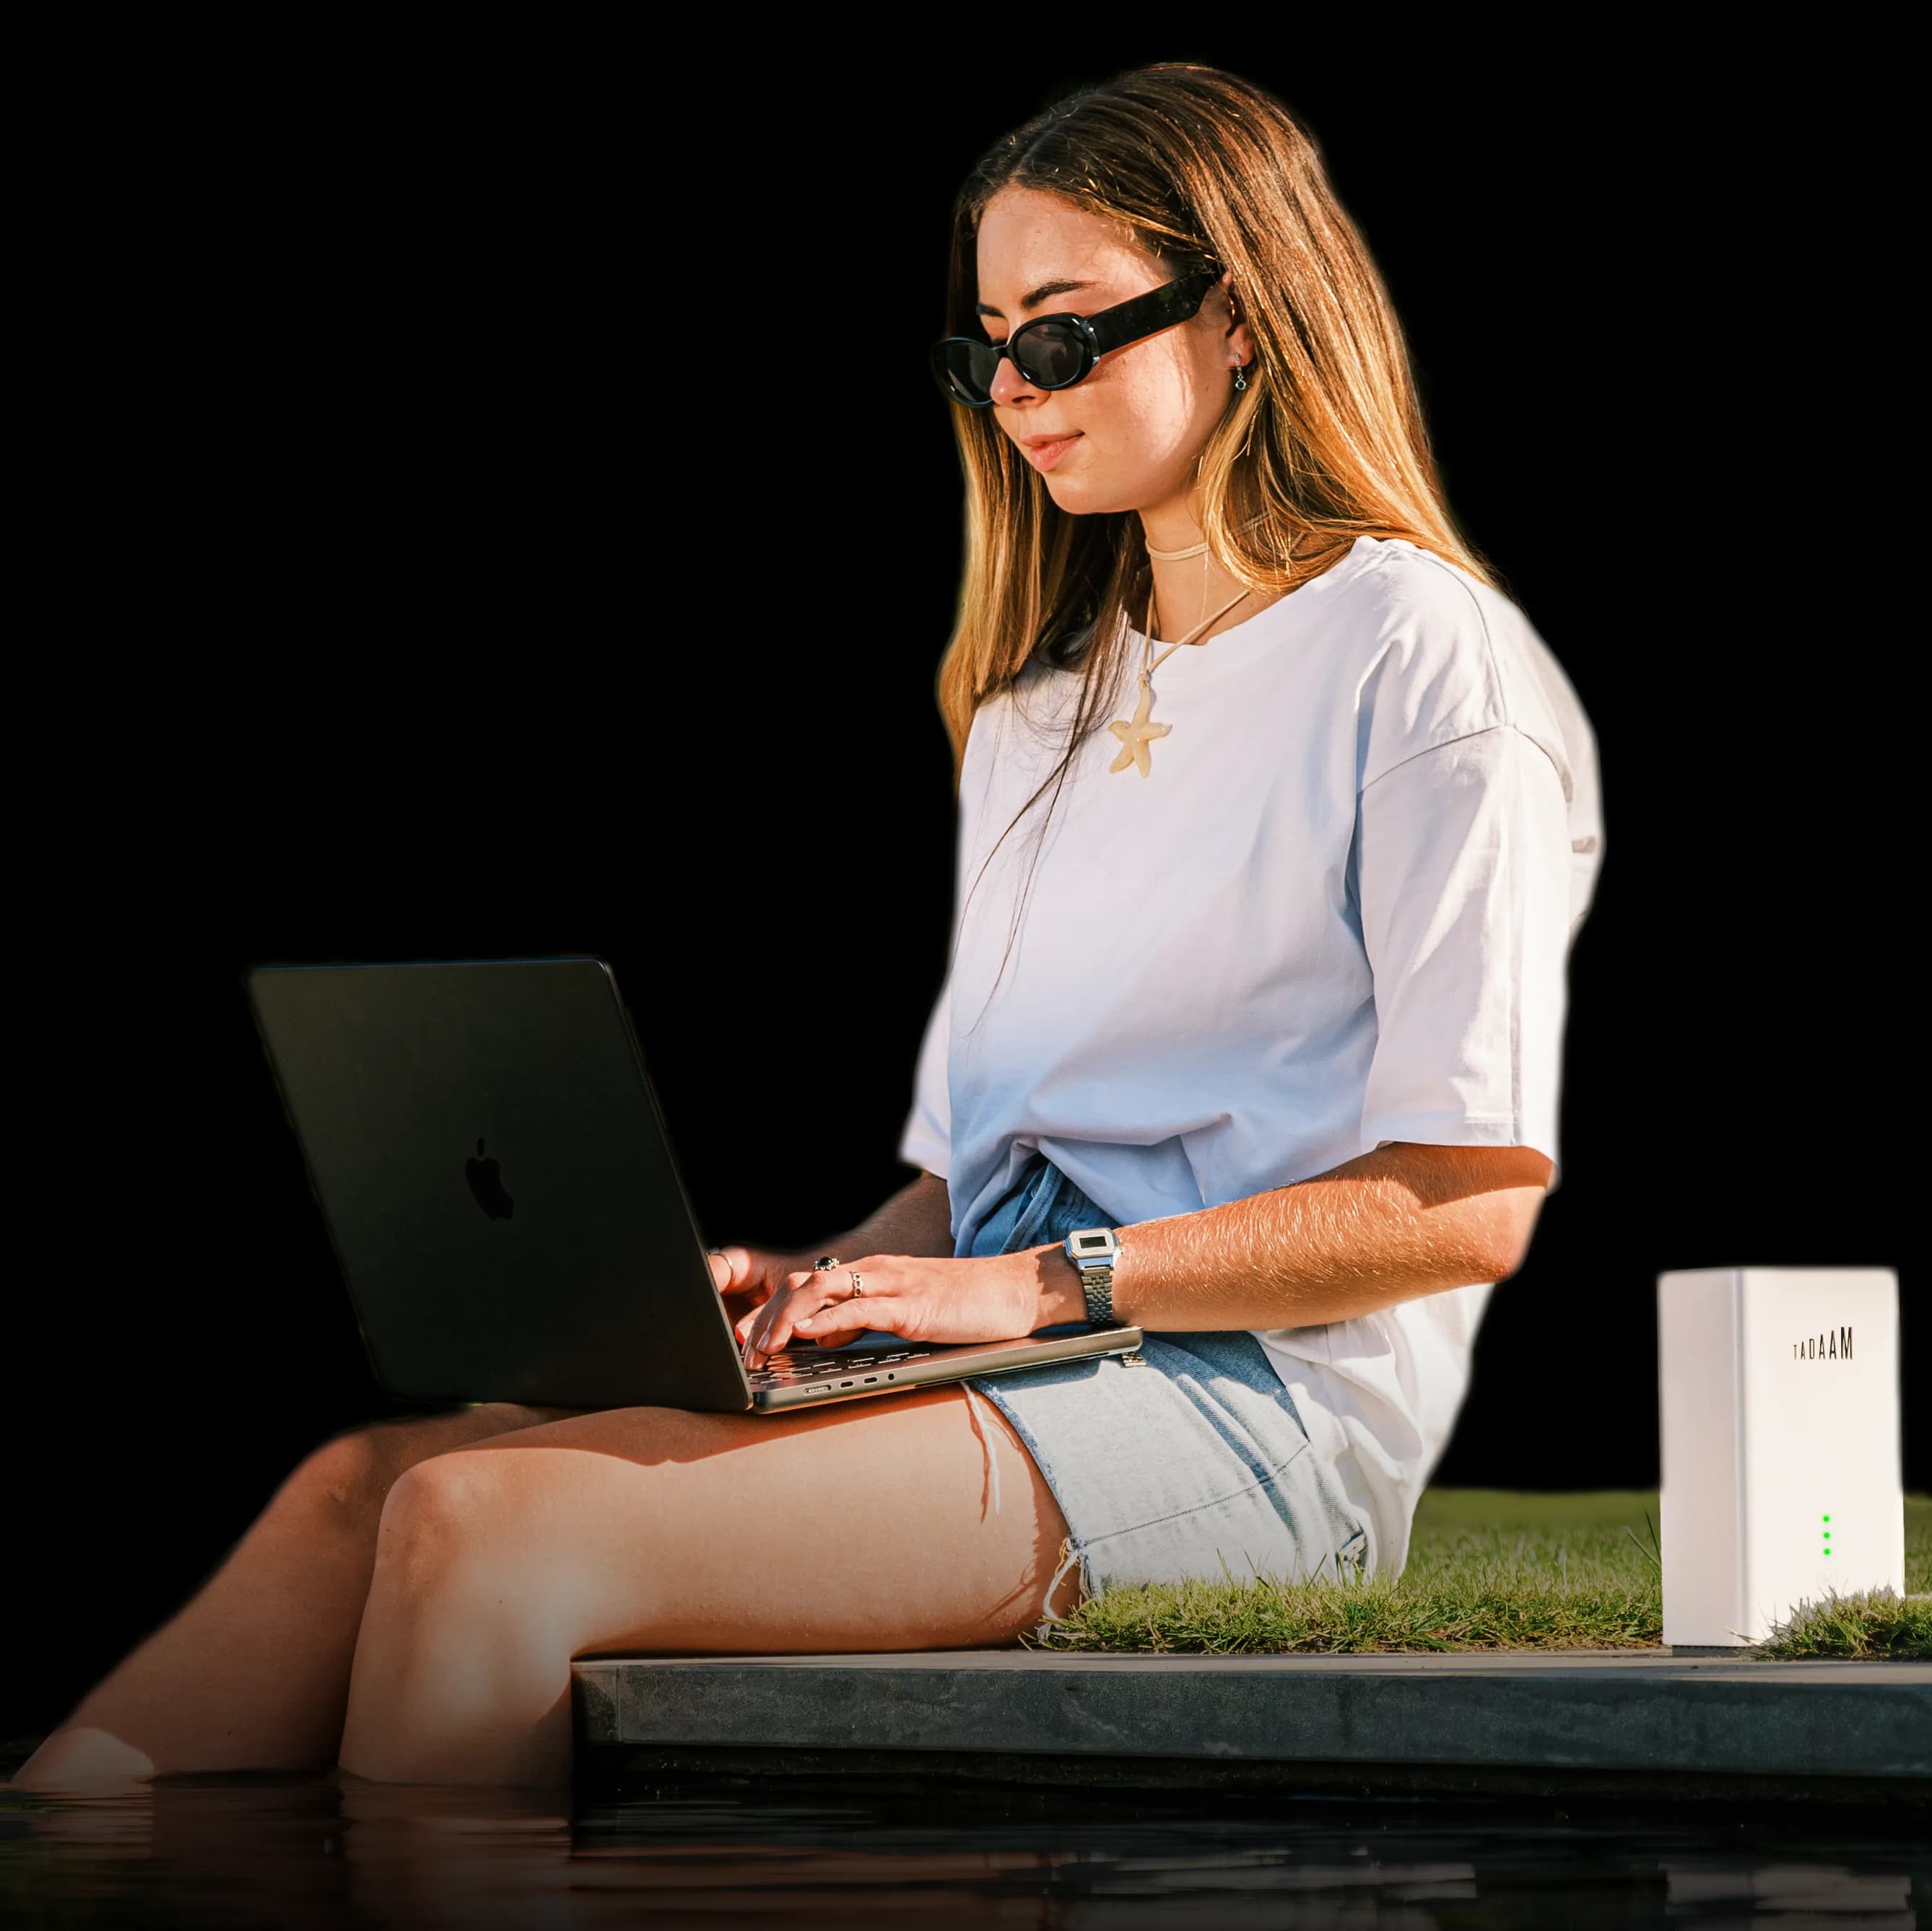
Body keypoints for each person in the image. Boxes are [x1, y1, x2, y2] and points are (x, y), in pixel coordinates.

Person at [14, 61, 1601, 1793]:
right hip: (1027, 1353)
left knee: (489, 1524)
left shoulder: (1421, 661)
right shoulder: (1036, 711)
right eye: (983, 344)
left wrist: (1032, 1284)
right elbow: (978, 1174)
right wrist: (841, 1281)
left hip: (1251, 1418)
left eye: (1060, 335)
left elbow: (1467, 1204)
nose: (1013, 389)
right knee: (363, 1489)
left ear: (1240, 319)